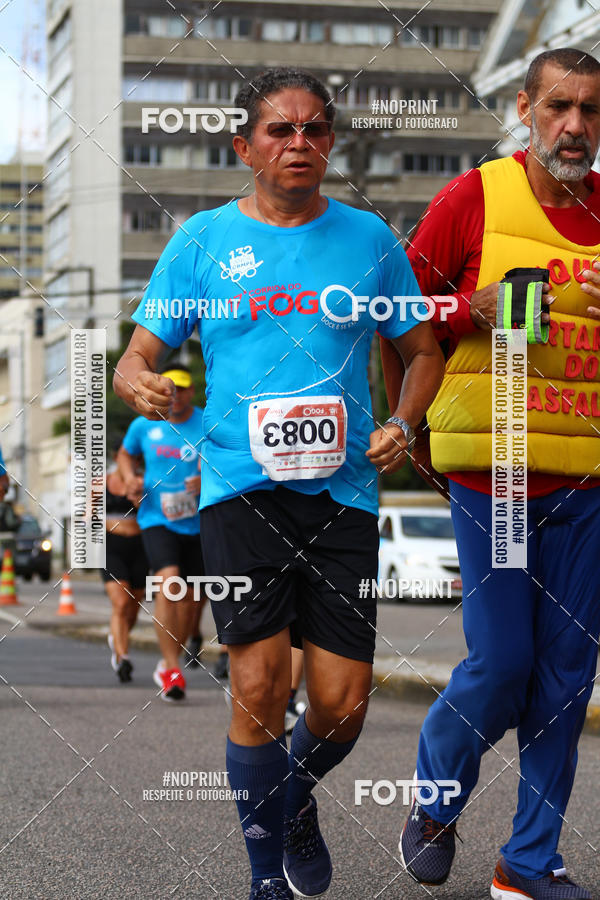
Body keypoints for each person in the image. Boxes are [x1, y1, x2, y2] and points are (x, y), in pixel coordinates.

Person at [114, 67, 444, 900]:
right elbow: (138, 357)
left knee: (343, 705)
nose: (299, 142)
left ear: (329, 143)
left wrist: (403, 423)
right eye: (279, 130)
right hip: (237, 488)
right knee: (260, 685)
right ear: (245, 146)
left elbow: (422, 353)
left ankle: (293, 800)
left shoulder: (369, 239)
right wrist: (137, 381)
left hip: (342, 494)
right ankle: (266, 876)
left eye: (314, 130)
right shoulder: (202, 241)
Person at [381, 48, 600, 900]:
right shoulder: (474, 196)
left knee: (566, 677)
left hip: (588, 481)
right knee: (504, 662)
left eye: (590, 110)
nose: (575, 125)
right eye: (559, 107)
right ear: (526, 108)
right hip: (499, 471)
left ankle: (528, 862)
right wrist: (468, 309)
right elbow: (394, 310)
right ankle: (435, 801)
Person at [118, 362, 205, 702]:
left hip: (200, 520)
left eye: (182, 388)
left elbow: (226, 460)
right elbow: (125, 456)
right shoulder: (144, 424)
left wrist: (207, 478)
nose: (176, 395)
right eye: (171, 389)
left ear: (191, 391)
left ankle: (174, 656)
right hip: (157, 517)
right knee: (169, 584)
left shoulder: (207, 422)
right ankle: (172, 668)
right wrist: (129, 479)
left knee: (190, 599)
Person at [101, 441, 149, 683]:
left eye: (136, 459)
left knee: (133, 605)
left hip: (140, 548)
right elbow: (88, 518)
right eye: (127, 457)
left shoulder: (145, 483)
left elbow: (152, 515)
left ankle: (118, 638)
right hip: (111, 548)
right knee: (121, 602)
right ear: (116, 457)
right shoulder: (100, 483)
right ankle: (123, 658)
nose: (132, 463)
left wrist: (139, 497)